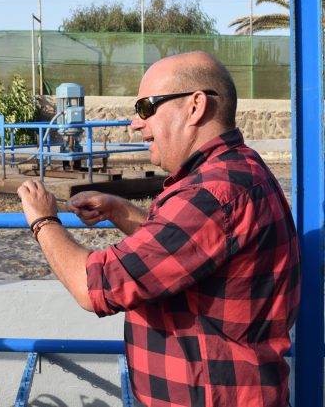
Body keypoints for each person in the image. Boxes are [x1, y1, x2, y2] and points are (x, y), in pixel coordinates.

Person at [18, 51, 299, 407]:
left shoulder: (212, 195)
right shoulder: (239, 168)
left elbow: (94, 286)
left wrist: (43, 219)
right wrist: (119, 210)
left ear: (195, 106)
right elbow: (180, 251)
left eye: (146, 107)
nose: (135, 123)